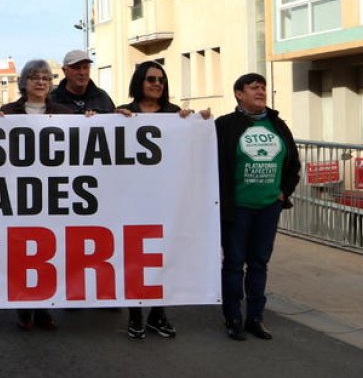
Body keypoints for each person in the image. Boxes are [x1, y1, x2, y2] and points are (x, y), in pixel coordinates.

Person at [115, 61, 210, 340]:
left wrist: (197, 123)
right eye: (151, 79)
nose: (157, 84)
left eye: (161, 79)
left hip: (166, 201)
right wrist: (109, 120)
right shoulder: (123, 112)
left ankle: (158, 313)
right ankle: (135, 314)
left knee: (162, 256)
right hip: (132, 201)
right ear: (139, 83)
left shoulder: (175, 115)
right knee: (134, 258)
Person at [215, 73, 300, 342]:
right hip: (237, 209)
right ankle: (233, 318)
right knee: (233, 264)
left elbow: (294, 164)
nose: (261, 91)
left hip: (268, 208)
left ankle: (255, 318)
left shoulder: (277, 124)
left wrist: (283, 193)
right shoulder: (225, 125)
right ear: (239, 94)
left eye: (263, 87)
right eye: (254, 87)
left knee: (259, 264)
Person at [0, 59, 71, 331]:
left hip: (51, 192)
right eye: (35, 77)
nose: (41, 82)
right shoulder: (6, 112)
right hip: (18, 191)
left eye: (46, 78)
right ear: (24, 82)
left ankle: (45, 307)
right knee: (21, 251)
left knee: (48, 251)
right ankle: (24, 307)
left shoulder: (64, 113)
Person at [49, 49, 115, 114]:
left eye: (85, 67)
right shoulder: (51, 100)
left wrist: (122, 116)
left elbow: (114, 121)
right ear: (64, 70)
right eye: (77, 68)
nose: (82, 73)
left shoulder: (102, 97)